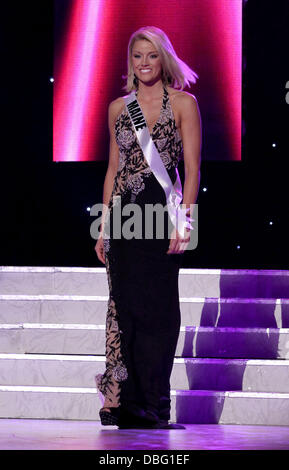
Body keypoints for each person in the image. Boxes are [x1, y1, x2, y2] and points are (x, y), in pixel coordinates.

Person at [94, 26, 201, 429]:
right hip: (123, 218)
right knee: (124, 311)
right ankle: (123, 402)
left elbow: (191, 170)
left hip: (161, 216)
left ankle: (153, 404)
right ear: (130, 61)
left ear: (164, 58)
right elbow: (113, 169)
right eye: (137, 56)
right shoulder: (118, 108)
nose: (143, 63)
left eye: (151, 56)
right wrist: (102, 227)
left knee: (159, 312)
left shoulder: (185, 104)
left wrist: (185, 221)